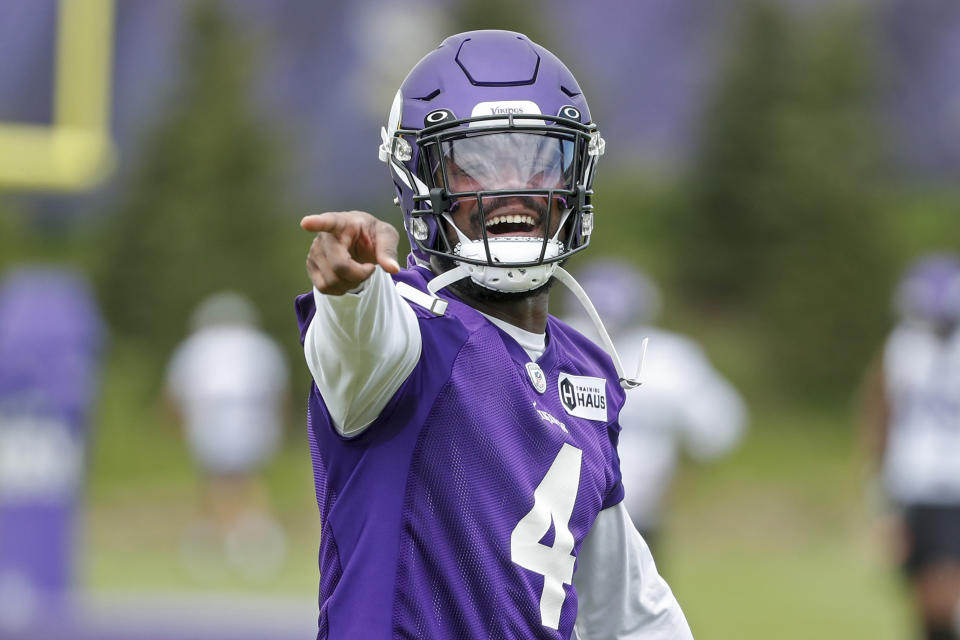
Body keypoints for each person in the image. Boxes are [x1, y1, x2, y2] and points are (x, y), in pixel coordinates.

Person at [294, 30, 692, 639]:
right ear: (418, 180)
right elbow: (361, 340)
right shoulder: (406, 328)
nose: (513, 189)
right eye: (476, 164)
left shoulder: (587, 369)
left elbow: (629, 612)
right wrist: (351, 287)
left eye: (539, 160)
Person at [562, 259, 747, 554]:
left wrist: (681, 473)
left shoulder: (670, 360)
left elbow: (718, 430)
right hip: (562, 515)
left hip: (634, 518)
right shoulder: (551, 346)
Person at [860, 254, 960, 640]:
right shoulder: (903, 347)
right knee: (922, 603)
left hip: (953, 491)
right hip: (912, 486)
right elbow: (880, 417)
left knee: (943, 597)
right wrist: (880, 496)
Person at [166, 291, 289, 580]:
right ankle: (247, 540)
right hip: (249, 414)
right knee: (246, 478)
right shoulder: (259, 346)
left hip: (213, 414)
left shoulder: (197, 346)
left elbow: (176, 392)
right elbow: (278, 390)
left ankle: (232, 542)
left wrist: (176, 424)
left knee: (218, 479)